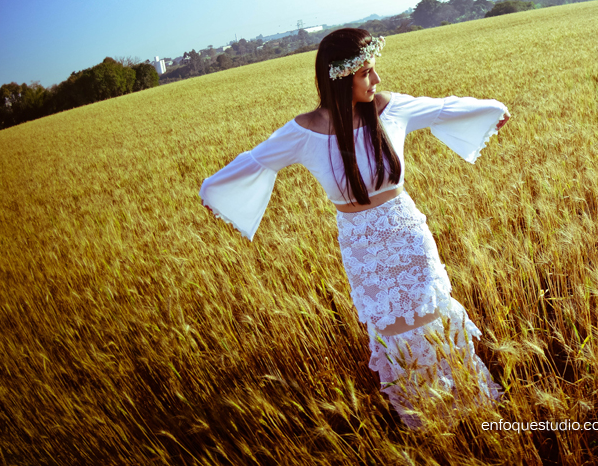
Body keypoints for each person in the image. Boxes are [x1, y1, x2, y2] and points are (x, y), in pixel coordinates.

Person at [199, 27, 509, 428]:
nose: (375, 79)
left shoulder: (390, 108)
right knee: (395, 336)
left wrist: (493, 109)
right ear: (341, 77)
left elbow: (442, 108)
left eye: (373, 69)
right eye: (365, 73)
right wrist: (214, 191)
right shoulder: (303, 131)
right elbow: (257, 161)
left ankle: (473, 407)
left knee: (435, 321)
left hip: (407, 238)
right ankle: (430, 421)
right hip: (363, 250)